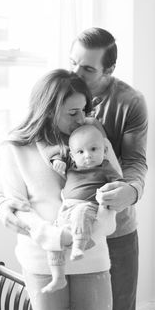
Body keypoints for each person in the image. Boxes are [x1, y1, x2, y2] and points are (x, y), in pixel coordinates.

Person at [0, 27, 148, 310]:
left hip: (108, 226)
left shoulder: (127, 104)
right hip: (48, 251)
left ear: (108, 70)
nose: (76, 71)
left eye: (87, 68)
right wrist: (2, 203)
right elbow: (17, 186)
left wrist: (131, 190)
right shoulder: (34, 135)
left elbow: (133, 162)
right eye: (72, 62)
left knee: (121, 309)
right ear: (51, 108)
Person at [0, 69, 118, 310]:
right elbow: (18, 206)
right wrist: (54, 237)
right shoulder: (16, 148)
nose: (81, 119)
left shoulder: (95, 139)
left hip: (90, 253)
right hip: (42, 260)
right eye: (73, 112)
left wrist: (92, 233)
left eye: (85, 111)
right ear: (48, 109)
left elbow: (116, 192)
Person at [40, 124, 122, 293]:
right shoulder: (71, 163)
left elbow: (120, 185)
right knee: (54, 239)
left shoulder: (105, 167)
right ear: (72, 155)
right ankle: (58, 277)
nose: (88, 156)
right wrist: (57, 161)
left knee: (81, 212)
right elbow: (50, 151)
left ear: (104, 150)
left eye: (93, 149)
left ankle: (79, 244)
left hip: (89, 207)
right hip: (66, 208)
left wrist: (113, 193)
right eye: (81, 152)